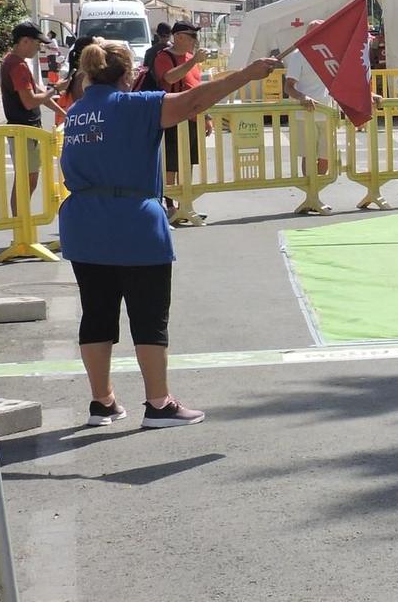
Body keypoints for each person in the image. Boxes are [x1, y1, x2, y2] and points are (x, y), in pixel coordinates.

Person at [59, 40, 283, 428]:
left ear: (88, 73)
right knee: (148, 315)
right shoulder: (138, 105)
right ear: (127, 74)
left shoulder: (76, 112)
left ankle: (102, 402)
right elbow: (196, 101)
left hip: (83, 222)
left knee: (96, 313)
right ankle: (158, 403)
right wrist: (246, 75)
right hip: (134, 221)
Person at [0, 21, 65, 216]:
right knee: (27, 179)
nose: (40, 47)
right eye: (37, 43)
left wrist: (63, 112)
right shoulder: (16, 65)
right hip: (23, 130)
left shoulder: (17, 63)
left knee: (29, 178)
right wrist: (56, 89)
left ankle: (21, 224)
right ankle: (20, 226)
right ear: (25, 41)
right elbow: (30, 101)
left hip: (27, 130)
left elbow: (38, 93)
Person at [153, 21, 206, 221]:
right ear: (179, 37)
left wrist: (205, 116)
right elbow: (170, 78)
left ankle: (185, 204)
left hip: (191, 118)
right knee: (171, 164)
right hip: (172, 117)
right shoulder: (164, 57)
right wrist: (192, 62)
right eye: (191, 36)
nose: (195, 41)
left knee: (188, 162)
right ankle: (170, 206)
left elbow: (197, 88)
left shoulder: (191, 58)